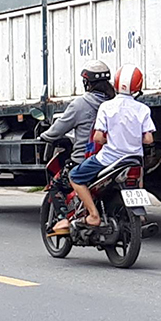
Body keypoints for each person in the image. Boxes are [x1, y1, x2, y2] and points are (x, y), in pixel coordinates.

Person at [65, 64, 156, 228]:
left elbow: (98, 138)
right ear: (138, 86)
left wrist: (113, 140)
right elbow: (148, 139)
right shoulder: (143, 109)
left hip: (109, 160)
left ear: (115, 83)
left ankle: (93, 214)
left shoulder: (106, 106)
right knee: (136, 178)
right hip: (134, 160)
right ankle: (140, 214)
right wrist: (132, 138)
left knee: (75, 177)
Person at [44, 60, 117, 234]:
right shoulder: (116, 103)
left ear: (87, 82)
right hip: (117, 158)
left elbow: (57, 130)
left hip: (86, 159)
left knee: (57, 184)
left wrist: (44, 136)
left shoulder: (81, 104)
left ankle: (64, 220)